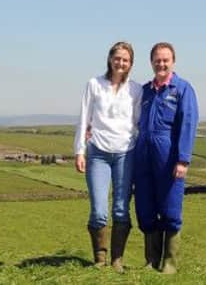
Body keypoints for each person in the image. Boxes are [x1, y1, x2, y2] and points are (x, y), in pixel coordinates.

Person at [73, 41, 142, 272]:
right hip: (98, 154)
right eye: (117, 58)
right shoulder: (94, 84)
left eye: (126, 60)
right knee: (99, 210)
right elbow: (84, 119)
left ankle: (117, 260)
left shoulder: (136, 89)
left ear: (131, 64)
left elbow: (139, 123)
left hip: (125, 153)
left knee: (121, 208)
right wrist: (79, 150)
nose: (120, 63)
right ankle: (100, 259)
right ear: (110, 59)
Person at [133, 42, 199, 274]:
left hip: (168, 155)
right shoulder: (145, 91)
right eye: (157, 60)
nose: (161, 64)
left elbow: (188, 125)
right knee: (145, 207)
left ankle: (170, 262)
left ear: (173, 61)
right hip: (143, 155)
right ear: (151, 62)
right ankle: (151, 261)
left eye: (165, 60)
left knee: (170, 208)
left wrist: (183, 159)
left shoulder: (182, 89)